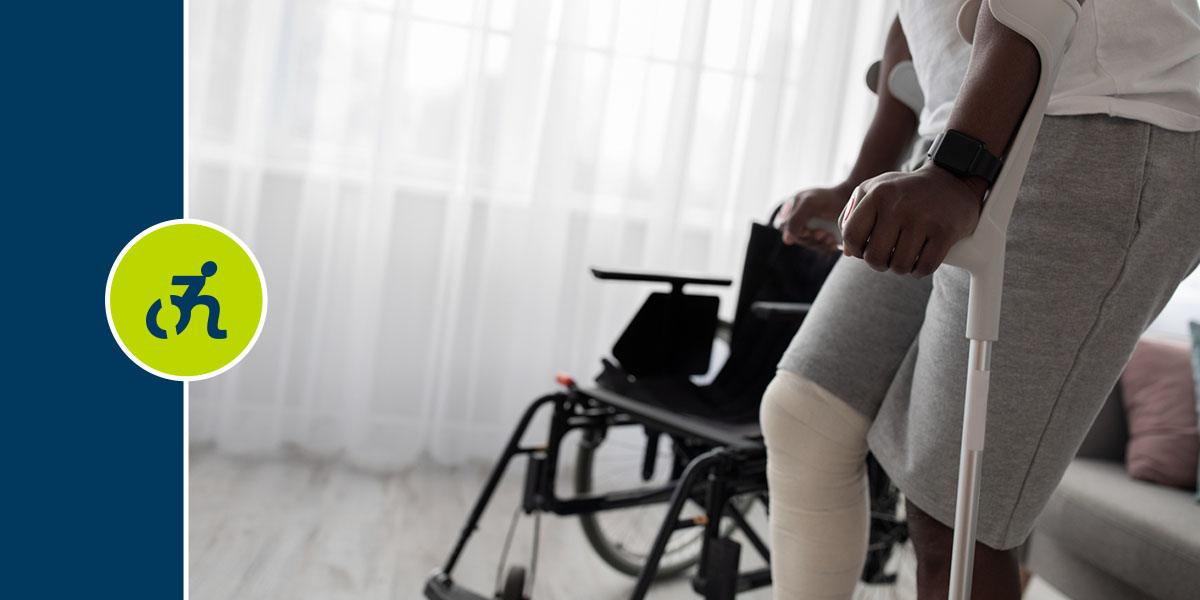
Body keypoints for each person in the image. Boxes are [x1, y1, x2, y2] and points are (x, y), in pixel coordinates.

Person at [760, 0, 1200, 598]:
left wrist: (959, 172)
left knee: (955, 523)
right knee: (806, 413)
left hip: (1100, 118)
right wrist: (862, 177)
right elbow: (913, 22)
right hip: (963, 131)